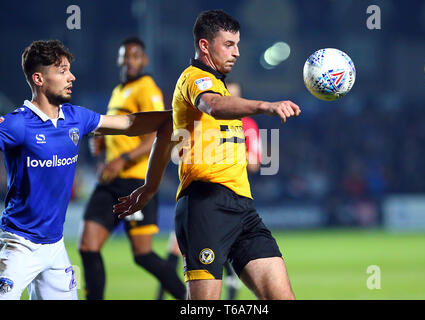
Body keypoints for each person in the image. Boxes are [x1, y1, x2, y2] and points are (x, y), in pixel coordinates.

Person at [114, 10, 300, 300]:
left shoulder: (219, 83)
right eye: (229, 44)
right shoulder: (195, 79)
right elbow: (213, 105)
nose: (237, 52)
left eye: (238, 44)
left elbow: (166, 130)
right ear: (204, 45)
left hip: (243, 208)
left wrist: (150, 187)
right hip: (205, 205)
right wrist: (266, 105)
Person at [0, 39, 173, 300]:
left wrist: (173, 116)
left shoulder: (76, 117)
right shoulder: (17, 124)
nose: (72, 77)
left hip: (55, 247)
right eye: (62, 71)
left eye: (69, 69)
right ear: (38, 78)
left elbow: (127, 123)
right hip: (19, 246)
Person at [78, 37, 185, 300]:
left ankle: (189, 299)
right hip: (110, 182)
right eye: (125, 56)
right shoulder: (118, 91)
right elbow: (117, 128)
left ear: (144, 60)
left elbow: (158, 135)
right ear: (118, 60)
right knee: (87, 247)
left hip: (136, 182)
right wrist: (102, 142)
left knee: (143, 255)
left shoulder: (147, 88)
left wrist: (122, 159)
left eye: (135, 56)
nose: (129, 61)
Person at [155, 81, 261, 300]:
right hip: (198, 195)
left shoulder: (247, 124)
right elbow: (178, 151)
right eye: (228, 97)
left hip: (231, 194)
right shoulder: (202, 119)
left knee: (222, 254)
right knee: (175, 249)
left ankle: (231, 292)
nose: (232, 102)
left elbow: (255, 164)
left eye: (236, 97)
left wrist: (232, 151)